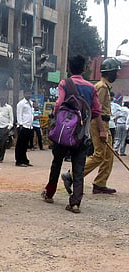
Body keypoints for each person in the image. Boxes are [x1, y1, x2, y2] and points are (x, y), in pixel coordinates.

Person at [42, 55, 102, 213]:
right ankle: (75, 202)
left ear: (69, 68)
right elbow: (96, 111)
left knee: (57, 163)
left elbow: (58, 105)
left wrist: (58, 121)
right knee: (78, 168)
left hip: (63, 133)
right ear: (84, 69)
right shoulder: (91, 87)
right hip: (81, 134)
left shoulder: (65, 83)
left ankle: (49, 193)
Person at [62, 57, 121, 196]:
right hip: (99, 123)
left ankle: (100, 183)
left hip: (105, 123)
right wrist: (101, 129)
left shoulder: (105, 87)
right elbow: (96, 110)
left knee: (108, 156)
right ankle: (70, 176)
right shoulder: (101, 87)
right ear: (109, 72)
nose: (117, 75)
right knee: (99, 155)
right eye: (115, 72)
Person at [15, 90, 34, 167]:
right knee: (20, 144)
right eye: (27, 93)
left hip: (29, 126)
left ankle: (25, 160)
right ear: (24, 94)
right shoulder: (21, 103)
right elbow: (19, 114)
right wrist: (20, 125)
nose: (28, 95)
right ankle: (19, 161)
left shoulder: (31, 103)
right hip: (23, 126)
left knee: (26, 145)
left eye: (29, 93)